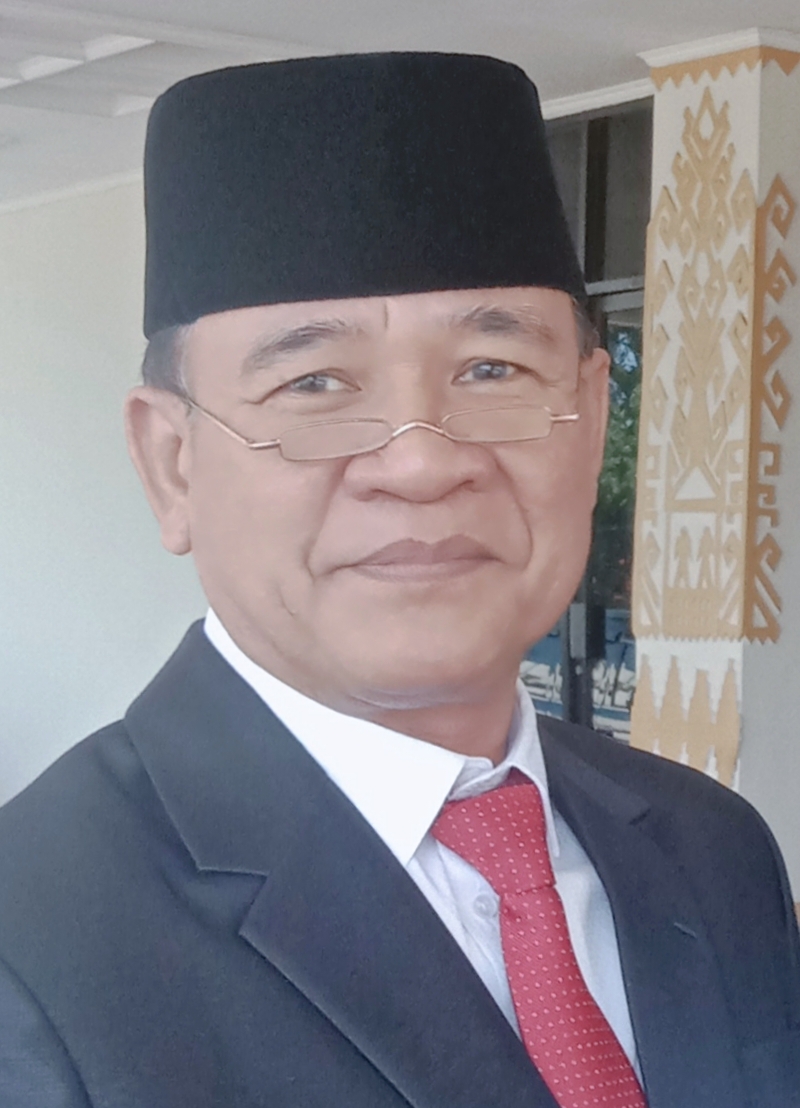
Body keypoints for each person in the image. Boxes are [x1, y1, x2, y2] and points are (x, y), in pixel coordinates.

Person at [0, 52, 798, 1108]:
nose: (421, 462)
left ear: (594, 418)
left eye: (492, 370)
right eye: (314, 383)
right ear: (172, 464)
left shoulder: (712, 846)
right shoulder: (32, 947)